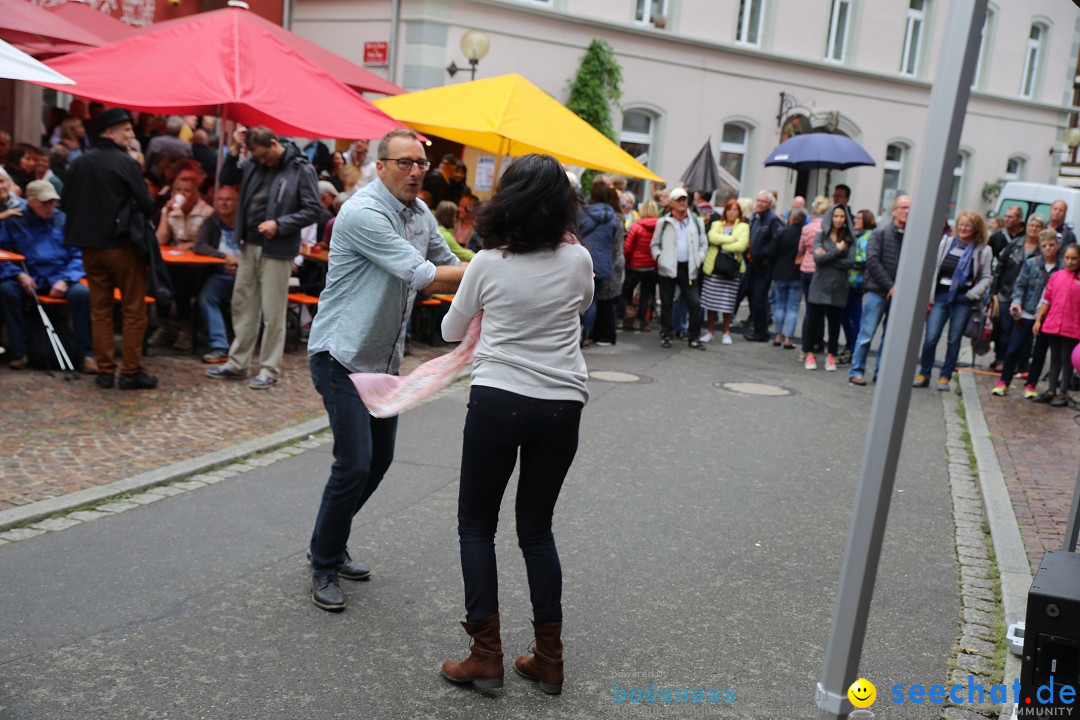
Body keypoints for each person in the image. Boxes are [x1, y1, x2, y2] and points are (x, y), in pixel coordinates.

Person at [438, 153, 591, 695]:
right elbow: (584, 305)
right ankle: (549, 659)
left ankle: (485, 656)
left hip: (498, 398)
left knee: (476, 526)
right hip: (560, 404)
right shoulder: (578, 260)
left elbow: (451, 332)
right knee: (536, 529)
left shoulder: (486, 262)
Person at [305, 128, 465, 612]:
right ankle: (323, 562)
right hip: (341, 355)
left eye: (422, 164)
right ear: (381, 165)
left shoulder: (418, 214)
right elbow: (423, 275)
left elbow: (449, 260)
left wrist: (493, 261)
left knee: (377, 463)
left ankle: (328, 541)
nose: (417, 171)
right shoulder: (363, 213)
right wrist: (499, 269)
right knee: (353, 464)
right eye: (406, 163)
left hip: (384, 360)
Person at [204, 126, 321, 388]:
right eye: (256, 157)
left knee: (273, 312)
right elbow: (227, 175)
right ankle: (238, 363)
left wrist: (280, 224)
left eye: (264, 156)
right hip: (249, 245)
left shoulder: (302, 169)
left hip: (277, 249)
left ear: (273, 143)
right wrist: (235, 149)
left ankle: (269, 369)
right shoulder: (255, 163)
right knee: (243, 305)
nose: (261, 161)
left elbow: (314, 209)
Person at [64, 107, 159, 390]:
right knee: (133, 309)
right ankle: (130, 371)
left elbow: (66, 202)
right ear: (110, 132)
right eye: (127, 130)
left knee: (101, 310)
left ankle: (105, 370)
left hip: (90, 247)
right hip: (121, 245)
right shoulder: (125, 162)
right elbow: (146, 203)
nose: (131, 134)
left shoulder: (80, 162)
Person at [0, 181, 93, 371]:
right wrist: (18, 275)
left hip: (60, 276)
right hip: (28, 275)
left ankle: (87, 354)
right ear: (31, 201)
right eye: (45, 203)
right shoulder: (14, 221)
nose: (50, 207)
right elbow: (4, 254)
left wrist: (66, 280)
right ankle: (20, 352)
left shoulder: (63, 220)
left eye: (52, 202)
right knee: (7, 290)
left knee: (82, 294)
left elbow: (79, 255)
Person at [914, 210, 993, 391]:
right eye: (961, 224)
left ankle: (945, 377)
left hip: (963, 299)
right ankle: (924, 373)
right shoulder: (947, 243)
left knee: (953, 339)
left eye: (968, 225)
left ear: (976, 229)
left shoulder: (983, 250)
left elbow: (988, 277)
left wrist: (972, 294)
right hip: (941, 296)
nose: (963, 228)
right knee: (931, 337)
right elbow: (933, 268)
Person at [992, 229, 1061, 398]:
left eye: (1052, 245)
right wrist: (1016, 302)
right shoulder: (1032, 263)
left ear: (1057, 246)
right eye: (1044, 245)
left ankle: (1031, 384)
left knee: (1040, 352)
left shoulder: (1062, 267)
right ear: (1040, 247)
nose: (1048, 249)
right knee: (1014, 348)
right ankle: (1004, 382)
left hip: (1048, 316)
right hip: (1028, 312)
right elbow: (1020, 285)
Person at [849, 195, 909, 386]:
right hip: (878, 291)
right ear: (894, 210)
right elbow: (872, 261)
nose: (906, 211)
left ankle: (880, 373)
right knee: (866, 334)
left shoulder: (913, 237)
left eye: (909, 208)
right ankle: (856, 371)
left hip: (899, 294)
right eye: (902, 207)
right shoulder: (880, 232)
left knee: (889, 338)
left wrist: (900, 287)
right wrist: (891, 286)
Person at [650, 187, 707, 349]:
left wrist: (699, 258)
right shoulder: (664, 222)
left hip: (689, 267)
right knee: (667, 303)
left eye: (684, 199)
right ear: (672, 203)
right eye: (679, 200)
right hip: (668, 268)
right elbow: (654, 244)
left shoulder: (696, 221)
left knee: (694, 303)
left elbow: (704, 243)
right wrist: (660, 258)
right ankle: (666, 334)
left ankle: (694, 336)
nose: (683, 202)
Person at [192, 184, 241, 364]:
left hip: (248, 274)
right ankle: (219, 346)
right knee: (206, 297)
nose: (224, 203)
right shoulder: (212, 221)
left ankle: (242, 345)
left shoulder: (247, 223)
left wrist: (241, 266)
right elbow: (200, 245)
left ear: (238, 202)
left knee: (248, 300)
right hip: (221, 272)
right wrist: (224, 257)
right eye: (220, 199)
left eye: (228, 199)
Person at [989, 213, 1044, 372]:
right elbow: (1000, 267)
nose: (1033, 229)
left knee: (1026, 331)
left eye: (1037, 226)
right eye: (1031, 225)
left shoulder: (1043, 249)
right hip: (1006, 292)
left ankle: (1022, 361)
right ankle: (1002, 359)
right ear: (1026, 227)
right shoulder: (1014, 244)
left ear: (1042, 229)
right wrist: (994, 291)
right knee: (1004, 328)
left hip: (1031, 298)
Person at [803, 204, 855, 372]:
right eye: (836, 216)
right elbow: (817, 259)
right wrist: (837, 251)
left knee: (834, 322)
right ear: (830, 217)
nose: (839, 220)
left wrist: (828, 256)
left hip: (839, 285)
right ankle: (809, 352)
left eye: (842, 216)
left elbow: (850, 262)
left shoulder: (849, 238)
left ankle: (831, 355)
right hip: (820, 283)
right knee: (813, 319)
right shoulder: (821, 235)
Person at [1031, 243, 1080, 406]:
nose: (1070, 261)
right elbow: (1047, 299)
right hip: (1054, 324)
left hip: (1072, 327)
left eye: (1074, 258)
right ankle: (1051, 390)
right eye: (1067, 258)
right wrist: (1039, 319)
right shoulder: (1057, 276)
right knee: (1054, 359)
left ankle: (1063, 392)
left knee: (1067, 360)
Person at [578, 180, 620, 346]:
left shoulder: (581, 213)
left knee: (578, 297)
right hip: (603, 263)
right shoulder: (612, 217)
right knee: (593, 298)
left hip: (582, 259)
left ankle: (578, 330)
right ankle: (588, 333)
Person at [701, 198, 749, 344]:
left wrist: (723, 244)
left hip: (731, 270)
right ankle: (710, 331)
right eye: (729, 209)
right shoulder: (716, 224)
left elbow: (741, 246)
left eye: (735, 210)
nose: (732, 212)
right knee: (711, 302)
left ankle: (726, 331)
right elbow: (712, 237)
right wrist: (731, 240)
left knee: (727, 303)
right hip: (715, 267)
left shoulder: (743, 226)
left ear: (739, 212)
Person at [744, 190, 783, 342]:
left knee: (759, 297)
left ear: (769, 205)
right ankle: (759, 326)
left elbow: (777, 241)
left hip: (764, 265)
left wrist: (765, 254)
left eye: (763, 201)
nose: (759, 204)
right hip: (753, 263)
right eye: (758, 200)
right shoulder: (755, 217)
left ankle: (761, 331)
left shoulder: (773, 220)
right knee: (754, 296)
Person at [796, 195, 830, 355]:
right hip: (821, 271)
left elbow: (801, 249)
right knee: (820, 309)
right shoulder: (827, 229)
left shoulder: (807, 228)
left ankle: (805, 345)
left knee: (810, 310)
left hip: (806, 270)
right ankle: (817, 342)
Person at [841, 209, 876, 360]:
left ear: (866, 221)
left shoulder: (868, 237)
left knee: (854, 316)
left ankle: (854, 349)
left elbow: (865, 259)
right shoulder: (856, 235)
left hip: (857, 282)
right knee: (844, 316)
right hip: (848, 281)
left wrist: (846, 259)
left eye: (859, 219)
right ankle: (849, 345)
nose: (855, 220)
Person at [621, 200, 660, 332]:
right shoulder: (659, 227)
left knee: (626, 291)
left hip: (634, 266)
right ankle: (641, 321)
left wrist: (627, 261)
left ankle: (625, 318)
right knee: (645, 294)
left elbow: (628, 248)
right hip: (650, 266)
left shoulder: (636, 226)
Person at [769, 208, 805, 349]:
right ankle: (788, 339)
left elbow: (772, 253)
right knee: (793, 308)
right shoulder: (804, 234)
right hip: (797, 274)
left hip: (780, 273)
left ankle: (778, 336)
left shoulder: (781, 232)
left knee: (780, 306)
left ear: (792, 219)